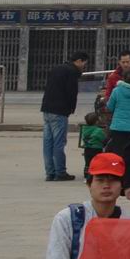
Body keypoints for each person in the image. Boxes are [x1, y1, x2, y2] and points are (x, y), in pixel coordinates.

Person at [39, 50, 85, 180]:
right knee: (59, 142)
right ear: (79, 61)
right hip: (59, 111)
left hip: (47, 108)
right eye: (84, 63)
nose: (83, 67)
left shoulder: (57, 68)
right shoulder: (71, 72)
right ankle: (60, 172)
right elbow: (71, 93)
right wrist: (71, 109)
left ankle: (50, 172)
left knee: (48, 142)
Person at [102, 60, 130, 187]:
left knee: (118, 153)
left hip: (118, 127)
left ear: (122, 77)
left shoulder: (117, 91)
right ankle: (129, 179)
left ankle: (118, 177)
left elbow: (110, 107)